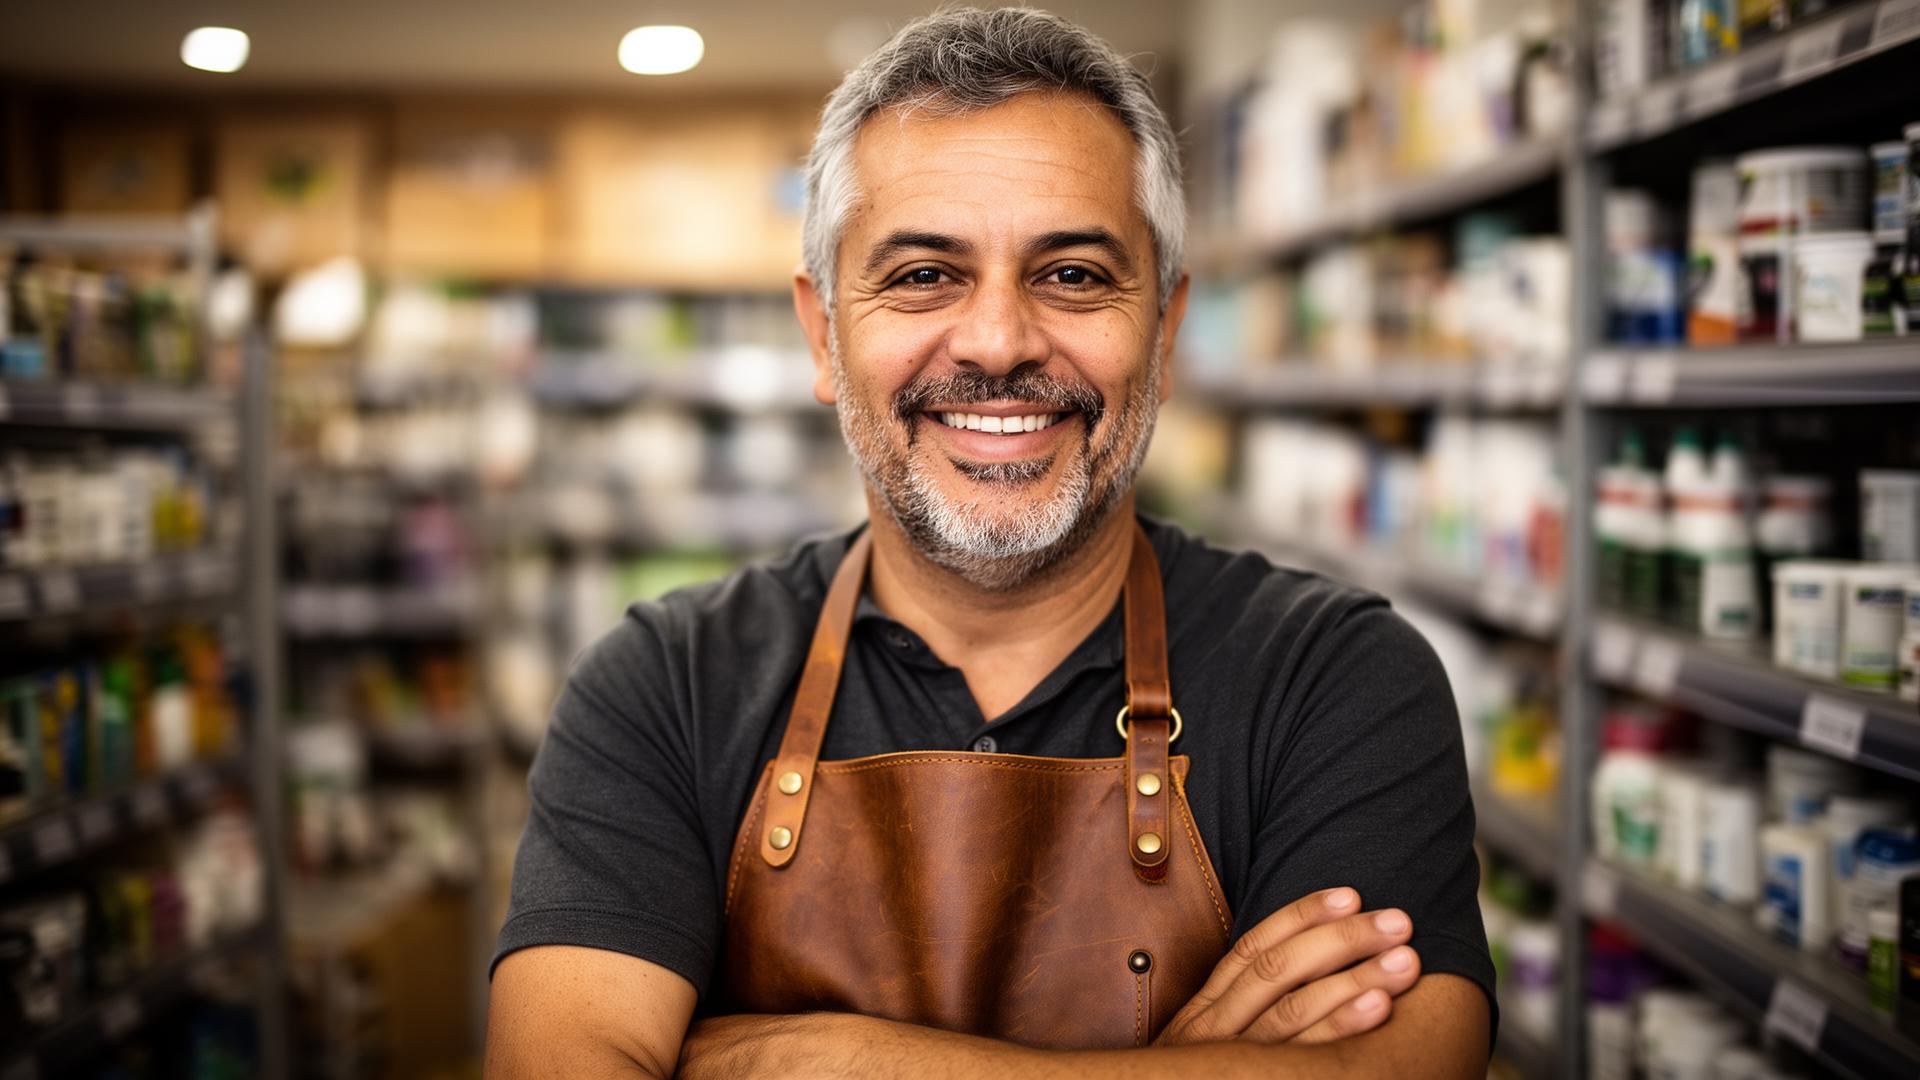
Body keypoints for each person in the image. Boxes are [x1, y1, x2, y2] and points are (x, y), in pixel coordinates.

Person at [486, 8, 1493, 1077]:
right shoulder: (663, 687)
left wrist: (818, 1059)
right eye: (923, 273)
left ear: (1165, 331)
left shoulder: (1335, 680)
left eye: (1071, 274)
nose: (999, 342)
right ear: (824, 334)